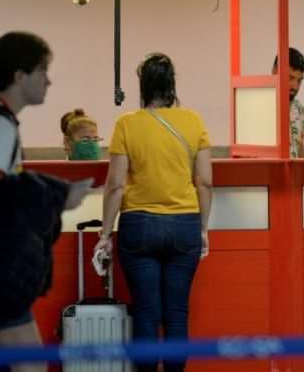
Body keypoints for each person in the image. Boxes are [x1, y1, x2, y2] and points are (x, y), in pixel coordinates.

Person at [0, 32, 89, 372]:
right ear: (20, 76)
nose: (48, 81)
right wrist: (55, 199)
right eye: (42, 71)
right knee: (32, 363)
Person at [94, 53, 213, 372]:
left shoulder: (127, 124)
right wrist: (202, 228)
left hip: (139, 226)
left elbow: (115, 185)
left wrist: (105, 234)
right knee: (176, 313)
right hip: (184, 226)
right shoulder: (194, 122)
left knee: (146, 312)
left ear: (143, 85)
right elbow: (204, 182)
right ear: (172, 84)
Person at [272, 47, 304, 157]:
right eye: (290, 78)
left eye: (299, 80)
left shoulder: (299, 109)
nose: (295, 86)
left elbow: (300, 148)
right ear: (275, 72)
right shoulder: (261, 106)